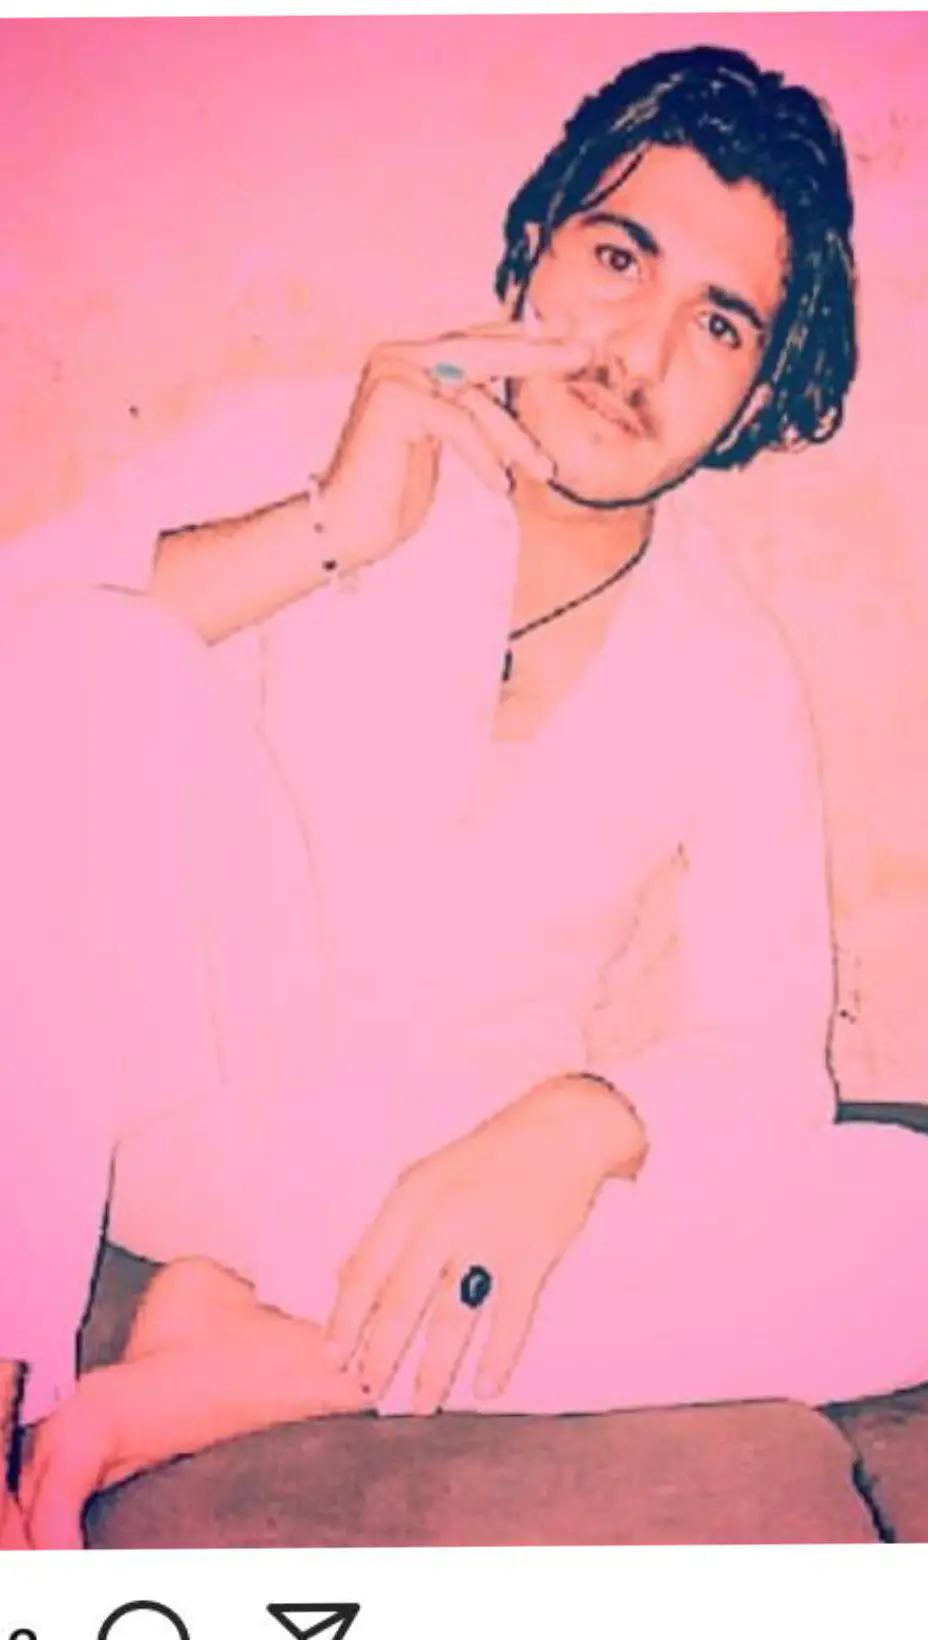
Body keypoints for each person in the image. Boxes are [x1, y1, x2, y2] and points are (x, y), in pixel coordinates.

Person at [2, 44, 925, 1551]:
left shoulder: (730, 661)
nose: (640, 350)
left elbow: (767, 1059)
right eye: (619, 257)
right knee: (92, 655)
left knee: (905, 1224)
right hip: (178, 1112)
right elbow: (32, 678)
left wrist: (573, 1129)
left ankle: (244, 1363)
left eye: (717, 322)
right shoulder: (315, 435)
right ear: (536, 246)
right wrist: (333, 523)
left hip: (432, 1193)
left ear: (758, 391)